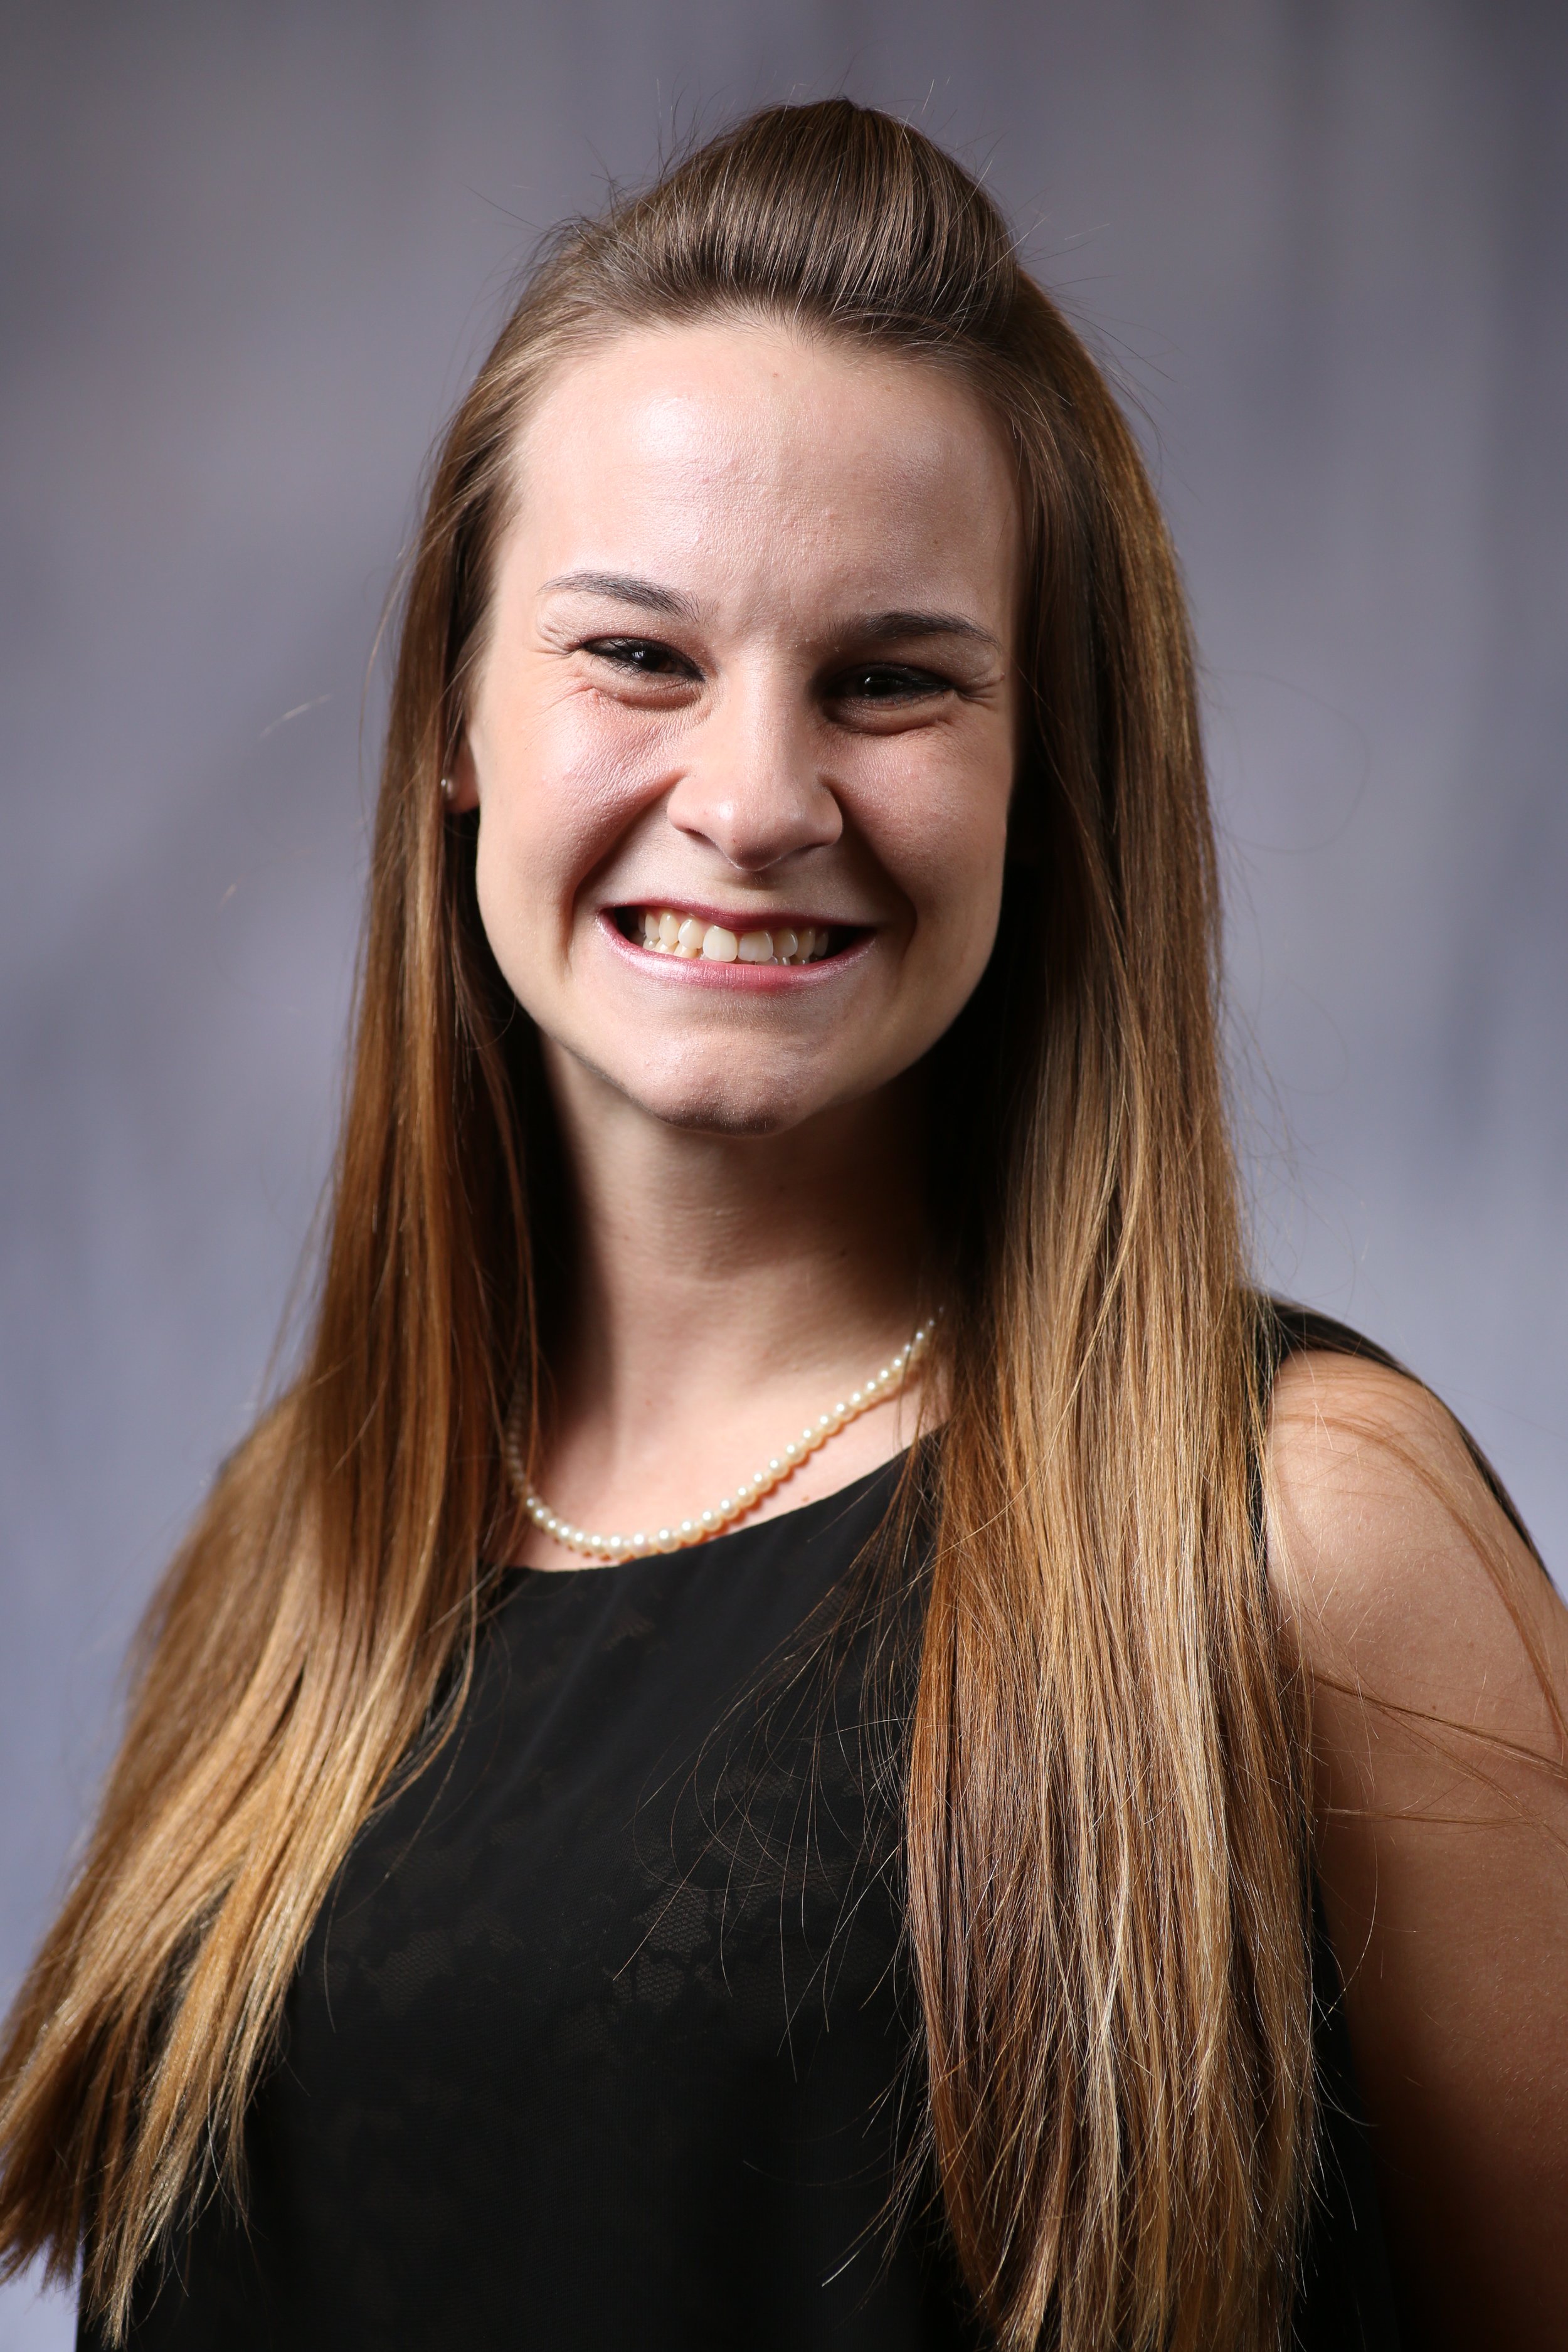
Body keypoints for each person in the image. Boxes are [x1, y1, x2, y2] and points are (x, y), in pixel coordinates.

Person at [1, 98, 1564, 2352]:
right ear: (455, 718)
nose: (749, 801)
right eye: (635, 657)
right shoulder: (296, 1564)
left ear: (1045, 764)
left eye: (892, 680)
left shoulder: (1293, 1535)